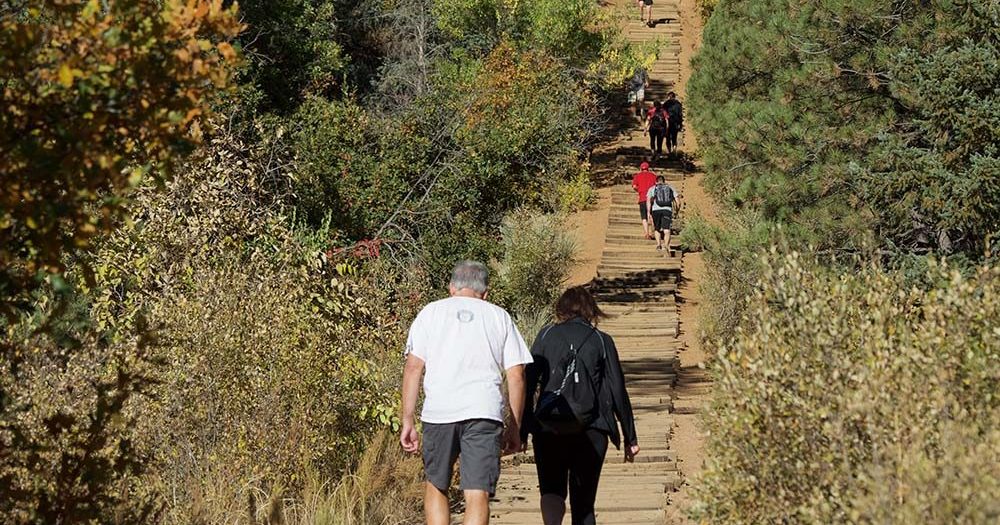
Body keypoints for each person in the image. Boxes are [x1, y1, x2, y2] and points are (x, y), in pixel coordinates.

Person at [400, 260, 533, 525]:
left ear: (451, 287)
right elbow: (516, 375)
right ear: (485, 292)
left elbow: (414, 367)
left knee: (437, 485)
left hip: (439, 412)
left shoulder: (430, 312)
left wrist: (408, 419)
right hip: (484, 412)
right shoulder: (499, 316)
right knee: (477, 492)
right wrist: (515, 426)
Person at [521, 286, 639, 525]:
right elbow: (617, 389)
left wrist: (523, 430)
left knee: (551, 491)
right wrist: (630, 437)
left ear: (561, 309)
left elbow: (528, 382)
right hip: (592, 429)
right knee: (584, 504)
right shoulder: (601, 340)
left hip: (549, 427)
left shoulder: (545, 335)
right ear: (590, 310)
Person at [646, 175, 680, 253]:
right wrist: (677, 211)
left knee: (657, 228)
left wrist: (648, 212)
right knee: (667, 229)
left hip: (656, 211)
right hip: (667, 210)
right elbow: (678, 202)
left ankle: (658, 245)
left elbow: (648, 201)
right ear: (664, 181)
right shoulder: (670, 188)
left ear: (656, 181)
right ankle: (666, 245)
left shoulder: (652, 188)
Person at [631, 161, 657, 240]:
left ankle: (647, 233)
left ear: (641, 168)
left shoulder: (637, 176)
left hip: (642, 198)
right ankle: (654, 231)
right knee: (652, 215)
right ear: (648, 168)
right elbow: (656, 186)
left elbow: (634, 186)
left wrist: (639, 190)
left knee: (644, 217)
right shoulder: (653, 176)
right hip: (651, 198)